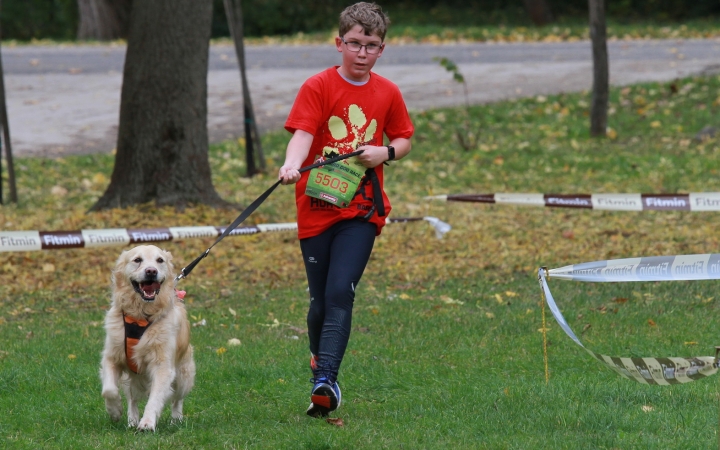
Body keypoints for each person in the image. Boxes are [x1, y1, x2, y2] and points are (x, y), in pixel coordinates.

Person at [278, 2, 414, 418]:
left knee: (341, 292)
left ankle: (326, 381)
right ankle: (321, 364)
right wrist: (290, 165)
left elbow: (404, 139)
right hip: (316, 207)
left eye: (370, 45)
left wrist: (385, 152)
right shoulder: (317, 87)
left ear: (381, 49)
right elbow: (302, 134)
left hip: (361, 210)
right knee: (320, 302)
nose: (361, 52)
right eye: (354, 43)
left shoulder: (388, 92)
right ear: (339, 44)